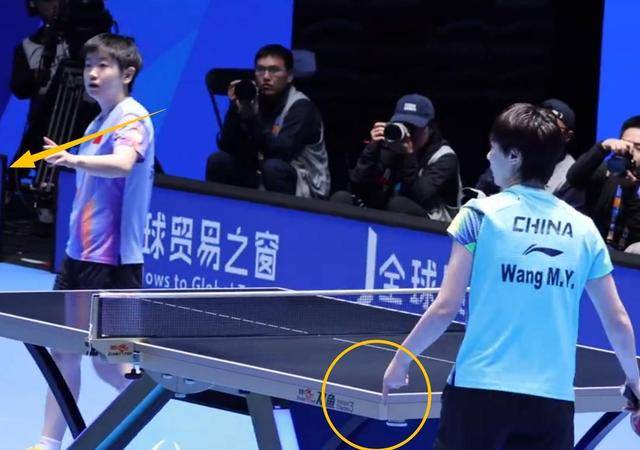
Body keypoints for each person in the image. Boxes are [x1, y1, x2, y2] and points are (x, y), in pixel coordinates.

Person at [382, 103, 640, 450]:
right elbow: (617, 319)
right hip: (550, 401)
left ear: (514, 155)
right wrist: (635, 382)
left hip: (478, 392)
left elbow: (445, 307)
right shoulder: (583, 229)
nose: (489, 157)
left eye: (495, 149)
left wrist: (401, 360)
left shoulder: (479, 214)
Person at [29, 33, 155, 450]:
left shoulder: (132, 117)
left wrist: (72, 158)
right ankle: (48, 442)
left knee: (111, 365)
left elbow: (122, 164)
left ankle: (155, 432)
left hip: (112, 263)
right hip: (78, 257)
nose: (92, 73)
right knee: (63, 351)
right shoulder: (97, 122)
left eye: (103, 65)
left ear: (127, 73)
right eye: (88, 65)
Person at [206, 44, 330, 198]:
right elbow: (227, 145)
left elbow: (281, 152)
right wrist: (236, 108)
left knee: (273, 168)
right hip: (261, 172)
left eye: (274, 70)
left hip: (304, 184)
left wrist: (251, 118)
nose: (266, 76)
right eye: (260, 70)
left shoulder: (302, 107)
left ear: (289, 76)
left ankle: (279, 214)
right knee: (219, 160)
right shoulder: (252, 100)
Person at [332, 94, 461, 221]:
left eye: (414, 127)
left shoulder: (444, 157)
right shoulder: (392, 145)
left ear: (431, 128)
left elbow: (419, 196)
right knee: (341, 198)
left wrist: (409, 154)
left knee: (398, 205)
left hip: (435, 225)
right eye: (404, 125)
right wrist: (372, 149)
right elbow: (357, 184)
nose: (408, 132)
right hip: (390, 213)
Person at [475, 98, 585, 212]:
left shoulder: (571, 176)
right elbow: (481, 190)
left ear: (567, 136)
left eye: (553, 128)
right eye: (540, 125)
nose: (546, 133)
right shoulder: (507, 157)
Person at [566, 115, 640, 251]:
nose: (631, 152)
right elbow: (574, 179)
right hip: (595, 248)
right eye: (626, 144)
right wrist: (602, 147)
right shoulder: (607, 171)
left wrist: (631, 191)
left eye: (639, 148)